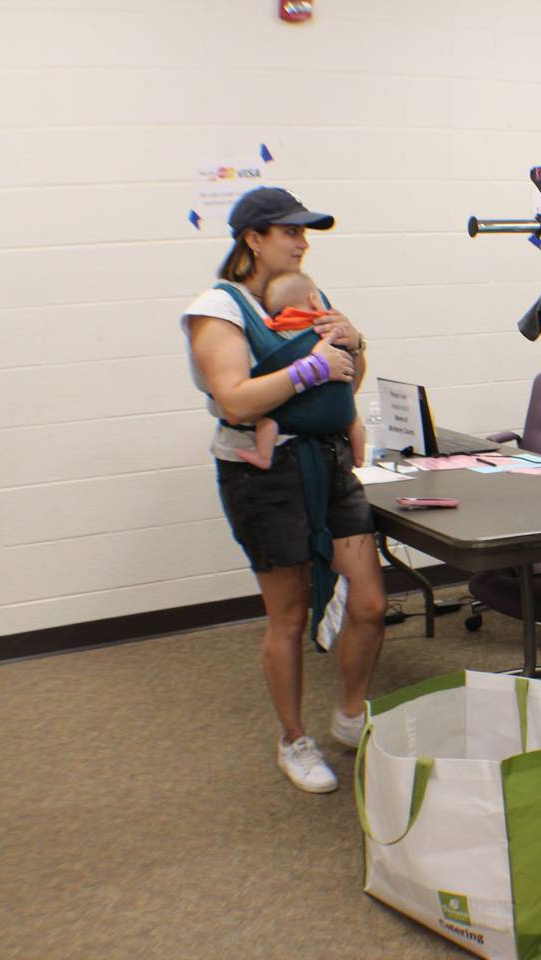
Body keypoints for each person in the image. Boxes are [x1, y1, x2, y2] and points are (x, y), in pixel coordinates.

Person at [181, 186, 386, 794]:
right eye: (290, 232)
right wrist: (307, 368)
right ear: (252, 238)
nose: (302, 242)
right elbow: (234, 399)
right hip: (262, 473)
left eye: (306, 233)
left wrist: (352, 343)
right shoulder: (217, 308)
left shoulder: (310, 292)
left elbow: (346, 382)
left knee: (372, 602)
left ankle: (350, 715)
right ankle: (293, 739)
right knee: (290, 615)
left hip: (327, 462)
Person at [235, 271, 367, 471]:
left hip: (298, 412)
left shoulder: (275, 327)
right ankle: (359, 457)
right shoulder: (331, 323)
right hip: (340, 412)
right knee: (355, 419)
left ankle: (263, 455)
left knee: (268, 420)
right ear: (314, 299)